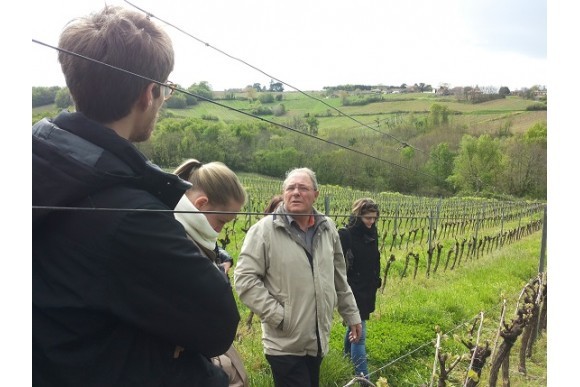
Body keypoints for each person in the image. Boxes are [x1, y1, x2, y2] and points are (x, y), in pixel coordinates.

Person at [32, 6, 239, 386]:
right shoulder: (129, 215)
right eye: (167, 90)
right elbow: (219, 327)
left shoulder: (37, 167)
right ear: (150, 93)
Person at [234, 167, 362, 387]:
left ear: (315, 194)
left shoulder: (328, 228)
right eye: (290, 188)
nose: (296, 192)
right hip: (284, 344)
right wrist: (280, 317)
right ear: (283, 193)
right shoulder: (264, 231)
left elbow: (339, 276)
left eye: (303, 188)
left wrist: (351, 313)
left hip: (317, 340)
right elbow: (245, 280)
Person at [173, 159, 249, 387]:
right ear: (202, 203)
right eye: (222, 221)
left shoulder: (190, 234)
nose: (221, 230)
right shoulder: (175, 241)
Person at [338, 198, 382, 380]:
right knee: (359, 335)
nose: (371, 222)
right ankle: (363, 379)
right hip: (353, 291)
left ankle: (345, 361)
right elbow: (338, 265)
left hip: (367, 290)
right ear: (358, 215)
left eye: (374, 218)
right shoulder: (346, 234)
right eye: (367, 218)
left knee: (353, 328)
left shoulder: (372, 232)